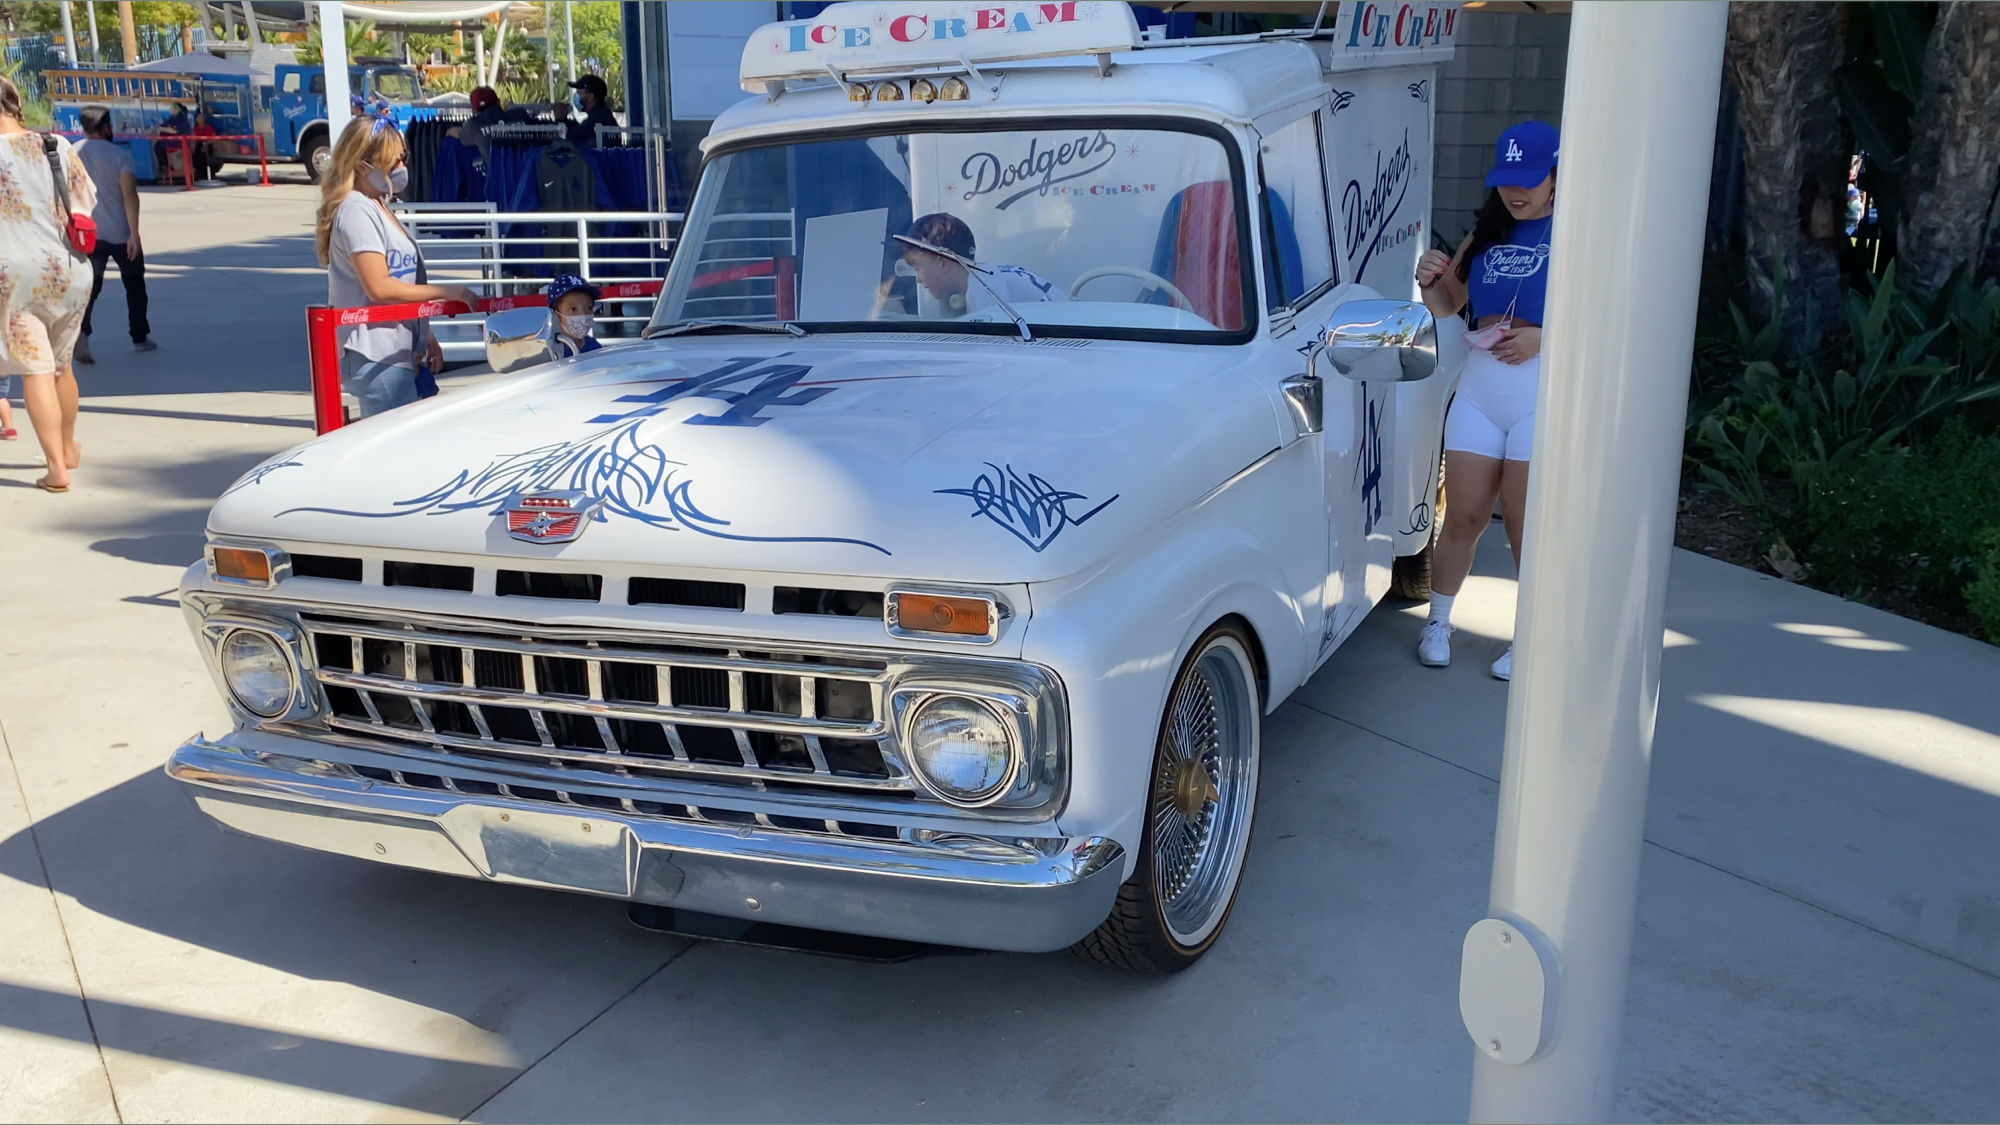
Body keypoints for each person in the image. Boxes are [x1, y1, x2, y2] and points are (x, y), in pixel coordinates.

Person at [1411, 120, 1558, 681]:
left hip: (1541, 392)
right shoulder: (1488, 231)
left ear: (1555, 176)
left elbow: (1609, 314)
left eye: (1530, 179)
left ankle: (1532, 638)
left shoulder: (1579, 232)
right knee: (1465, 515)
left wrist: (1549, 336)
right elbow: (1449, 304)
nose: (1516, 192)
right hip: (1480, 387)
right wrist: (1430, 280)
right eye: (1506, 180)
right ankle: (1439, 622)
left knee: (1525, 524)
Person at [314, 116, 476, 418]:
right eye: (393, 160)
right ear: (362, 164)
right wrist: (447, 292)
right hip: (376, 354)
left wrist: (424, 332)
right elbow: (379, 286)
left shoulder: (377, 204)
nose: (401, 166)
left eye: (404, 157)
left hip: (395, 351)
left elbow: (402, 276)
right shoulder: (356, 209)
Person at [0, 75, 95, 492]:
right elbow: (84, 202)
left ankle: (55, 468)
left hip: (11, 271)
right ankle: (70, 446)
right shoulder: (56, 145)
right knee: (61, 364)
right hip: (69, 268)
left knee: (33, 369)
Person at [74, 105, 155, 363]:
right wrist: (135, 234)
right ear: (105, 127)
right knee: (134, 286)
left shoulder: (71, 154)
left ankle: (82, 334)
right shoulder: (120, 156)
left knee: (90, 288)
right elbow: (129, 196)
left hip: (88, 234)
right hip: (121, 233)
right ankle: (139, 337)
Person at [893, 212, 1065, 316]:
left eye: (918, 268)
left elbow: (995, 349)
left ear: (943, 263)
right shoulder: (985, 277)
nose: (918, 280)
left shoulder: (985, 291)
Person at [545, 274, 602, 357]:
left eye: (589, 308)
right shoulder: (552, 352)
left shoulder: (594, 346)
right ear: (556, 313)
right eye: (573, 309)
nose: (583, 315)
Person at [565, 75, 619, 148]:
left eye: (579, 92)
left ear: (590, 97)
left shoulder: (598, 118)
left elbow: (572, 138)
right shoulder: (602, 114)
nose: (577, 96)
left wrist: (561, 119)